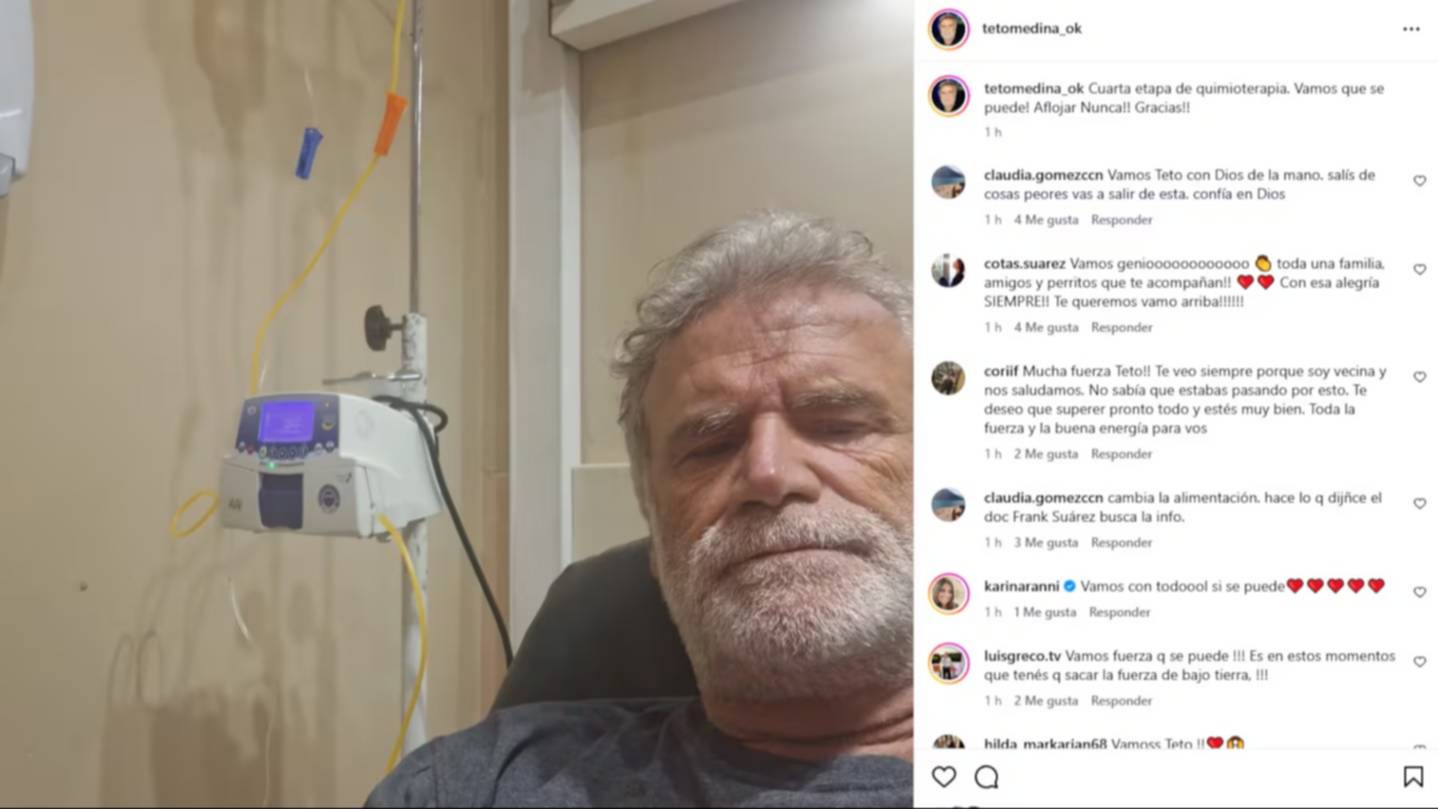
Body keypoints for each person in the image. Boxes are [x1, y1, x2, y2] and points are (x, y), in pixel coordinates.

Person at [368, 210, 914, 807]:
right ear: (655, 530)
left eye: (839, 425)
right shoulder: (468, 787)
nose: (769, 473)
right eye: (711, 444)